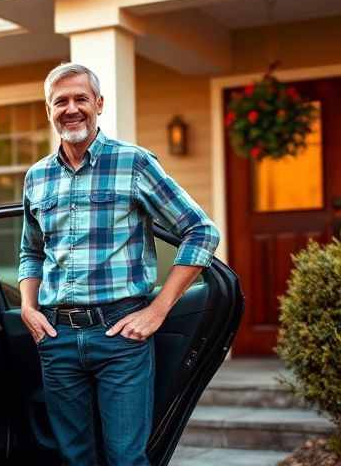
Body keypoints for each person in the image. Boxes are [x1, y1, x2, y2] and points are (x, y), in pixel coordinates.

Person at [18, 63, 220, 465]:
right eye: (61, 101)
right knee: (73, 457)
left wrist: (158, 309)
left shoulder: (134, 162)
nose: (71, 109)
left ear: (99, 104)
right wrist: (28, 306)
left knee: (125, 458)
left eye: (81, 99)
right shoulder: (37, 177)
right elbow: (31, 251)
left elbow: (201, 231)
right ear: (49, 110)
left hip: (120, 337)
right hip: (56, 337)